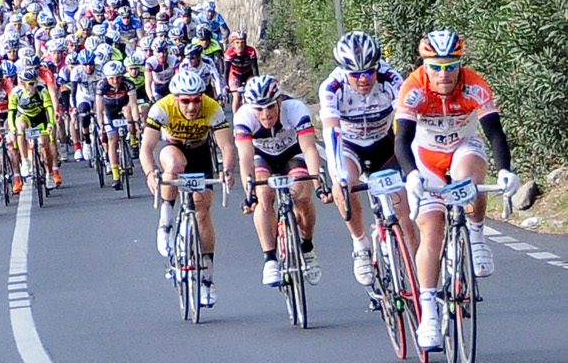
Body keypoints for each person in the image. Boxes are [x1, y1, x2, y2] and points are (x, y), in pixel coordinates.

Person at [393, 29, 516, 351]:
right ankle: (430, 312)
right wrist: (411, 175)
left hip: (464, 146)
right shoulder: (413, 88)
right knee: (432, 231)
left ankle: (476, 237)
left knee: (470, 178)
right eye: (436, 67)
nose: (443, 74)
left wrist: (505, 171)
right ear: (425, 66)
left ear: (460, 65)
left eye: (451, 66)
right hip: (426, 157)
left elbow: (495, 134)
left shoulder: (475, 84)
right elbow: (401, 140)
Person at [317, 30, 405, 288]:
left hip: (384, 143)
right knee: (345, 186)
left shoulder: (390, 78)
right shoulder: (332, 88)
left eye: (369, 72)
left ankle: (418, 280)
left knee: (405, 211)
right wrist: (337, 176)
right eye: (355, 74)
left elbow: (407, 123)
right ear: (344, 71)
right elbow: (331, 132)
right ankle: (360, 244)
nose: (364, 79)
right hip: (350, 146)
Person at [143, 67, 237, 306]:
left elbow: (226, 146)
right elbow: (146, 148)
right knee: (174, 164)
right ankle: (165, 222)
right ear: (176, 99)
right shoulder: (162, 107)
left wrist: (227, 169)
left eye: (196, 100)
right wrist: (150, 173)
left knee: (202, 213)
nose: (192, 107)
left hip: (200, 153)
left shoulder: (211, 107)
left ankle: (207, 279)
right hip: (173, 148)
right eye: (186, 101)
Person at [232, 75, 322, 288]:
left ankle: (307, 247)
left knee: (301, 194)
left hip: (293, 153)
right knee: (264, 195)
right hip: (263, 157)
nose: (265, 114)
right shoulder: (244, 116)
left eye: (270, 106)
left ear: (279, 101)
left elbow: (309, 148)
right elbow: (245, 157)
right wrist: (249, 192)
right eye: (259, 109)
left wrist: (319, 184)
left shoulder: (296, 109)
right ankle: (270, 258)